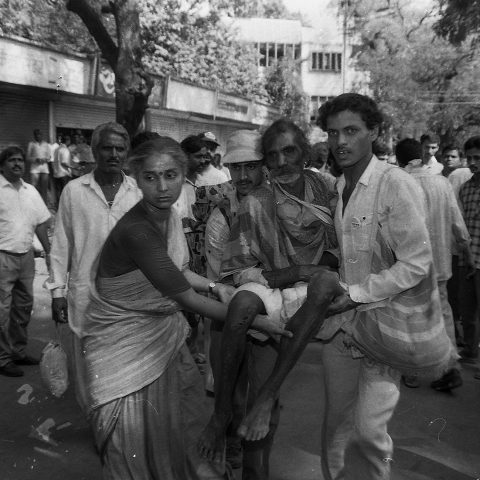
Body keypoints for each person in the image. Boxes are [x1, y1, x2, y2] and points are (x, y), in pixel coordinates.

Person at [236, 94, 446, 480]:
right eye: (333, 133)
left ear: (374, 132)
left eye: (351, 131)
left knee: (369, 434)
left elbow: (417, 263)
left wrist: (353, 294)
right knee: (335, 429)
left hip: (381, 326)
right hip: (340, 331)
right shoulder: (337, 189)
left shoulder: (393, 184)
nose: (340, 142)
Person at [82, 137, 284, 480]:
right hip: (122, 349)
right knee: (132, 442)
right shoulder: (138, 230)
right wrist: (261, 323)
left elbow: (178, 271)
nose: (162, 187)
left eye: (171, 175)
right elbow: (186, 299)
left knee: (186, 420)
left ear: (183, 175)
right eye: (151, 177)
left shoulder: (168, 216)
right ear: (136, 177)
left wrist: (215, 286)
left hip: (163, 335)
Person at [199, 119, 338, 478]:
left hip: (272, 298)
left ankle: (250, 466)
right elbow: (227, 279)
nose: (243, 174)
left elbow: (335, 248)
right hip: (226, 308)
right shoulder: (222, 214)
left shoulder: (320, 189)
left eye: (251, 165)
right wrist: (292, 276)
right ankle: (225, 434)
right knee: (229, 391)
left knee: (262, 400)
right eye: (236, 167)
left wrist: (301, 277)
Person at [46, 122, 143, 411]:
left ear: (127, 152)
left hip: (128, 298)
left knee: (125, 362)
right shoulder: (74, 191)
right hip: (85, 297)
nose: (113, 154)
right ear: (94, 151)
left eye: (119, 148)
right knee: (88, 366)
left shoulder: (138, 192)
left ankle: (120, 420)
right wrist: (56, 292)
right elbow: (61, 244)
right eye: (106, 147)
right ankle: (98, 423)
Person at [395, 138, 472, 391]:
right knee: (442, 314)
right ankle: (450, 366)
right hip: (439, 264)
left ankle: (413, 372)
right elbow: (458, 225)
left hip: (409, 266)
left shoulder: (399, 183)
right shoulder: (442, 183)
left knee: (411, 317)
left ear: (399, 159)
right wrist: (466, 252)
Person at [0, 146, 51, 377]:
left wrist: (49, 251)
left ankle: (18, 352)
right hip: (2, 256)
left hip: (26, 257)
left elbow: (41, 222)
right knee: (2, 311)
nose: (17, 164)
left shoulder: (31, 190)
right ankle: (2, 359)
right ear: (2, 165)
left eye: (20, 160)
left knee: (23, 308)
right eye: (12, 160)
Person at [457, 136, 480, 379]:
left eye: (477, 158)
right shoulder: (465, 188)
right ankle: (471, 351)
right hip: (467, 260)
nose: (473, 163)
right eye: (470, 158)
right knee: (467, 311)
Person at [26, 128, 52, 203]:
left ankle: (44, 204)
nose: (38, 136)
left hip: (44, 168)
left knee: (44, 188)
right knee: (33, 187)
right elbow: (27, 157)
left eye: (39, 134)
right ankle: (33, 203)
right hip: (34, 168)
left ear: (42, 135)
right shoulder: (31, 144)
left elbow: (49, 157)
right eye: (36, 135)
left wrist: (45, 159)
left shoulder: (46, 144)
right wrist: (36, 159)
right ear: (34, 136)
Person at [52, 135, 72, 203]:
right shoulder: (65, 150)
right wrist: (74, 167)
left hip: (56, 173)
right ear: (67, 141)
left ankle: (58, 207)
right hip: (64, 174)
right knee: (64, 192)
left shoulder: (56, 149)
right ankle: (63, 208)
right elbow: (64, 163)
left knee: (58, 191)